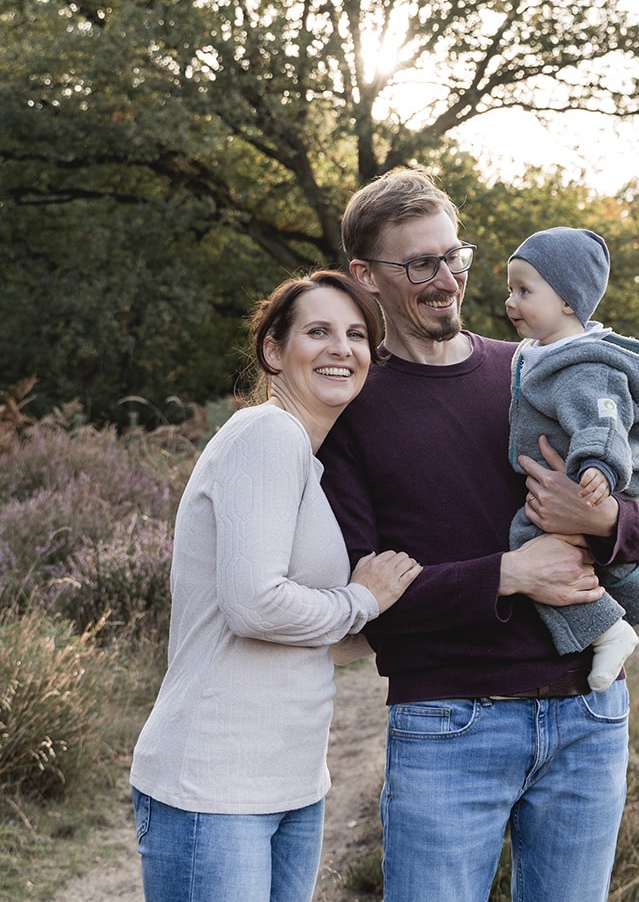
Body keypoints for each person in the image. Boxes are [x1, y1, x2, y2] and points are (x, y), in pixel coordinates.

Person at [317, 171, 639, 901]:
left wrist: (600, 520)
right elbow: (360, 594)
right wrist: (509, 572)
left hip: (589, 715)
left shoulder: (535, 368)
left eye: (455, 255)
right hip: (448, 722)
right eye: (419, 264)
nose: (448, 279)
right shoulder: (352, 410)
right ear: (365, 275)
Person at [129, 270, 422, 902]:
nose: (341, 348)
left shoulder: (307, 461)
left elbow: (316, 636)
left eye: (355, 334)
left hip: (290, 781)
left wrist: (414, 612)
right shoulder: (265, 435)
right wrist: (362, 600)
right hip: (215, 783)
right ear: (273, 351)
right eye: (318, 331)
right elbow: (253, 605)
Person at [503, 226, 639, 692]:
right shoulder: (539, 352)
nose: (510, 301)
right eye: (511, 289)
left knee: (530, 540)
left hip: (592, 477)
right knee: (587, 547)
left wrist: (597, 467)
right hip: (576, 478)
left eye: (524, 290)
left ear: (567, 301)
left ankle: (607, 629)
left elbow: (604, 420)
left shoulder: (583, 364)